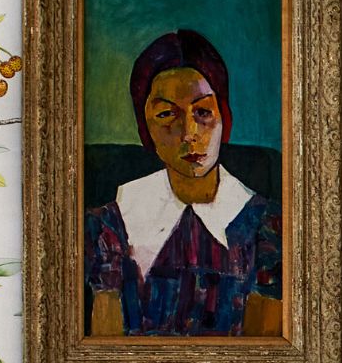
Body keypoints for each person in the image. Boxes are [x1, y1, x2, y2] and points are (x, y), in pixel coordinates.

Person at [84, 29, 283, 337]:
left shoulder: (267, 227)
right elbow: (104, 351)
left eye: (203, 112)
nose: (189, 132)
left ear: (224, 117)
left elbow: (264, 352)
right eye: (166, 114)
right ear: (145, 127)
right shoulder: (110, 225)